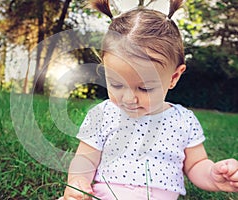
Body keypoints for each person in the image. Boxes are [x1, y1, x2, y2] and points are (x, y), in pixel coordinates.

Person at [61, 0, 238, 199]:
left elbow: (196, 165)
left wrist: (213, 175)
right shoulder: (103, 115)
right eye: (117, 84)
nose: (129, 98)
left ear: (174, 77)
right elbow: (85, 160)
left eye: (144, 88)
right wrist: (78, 183)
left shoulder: (183, 121)